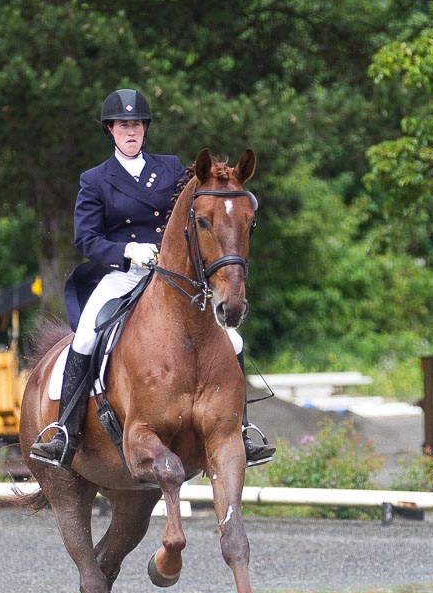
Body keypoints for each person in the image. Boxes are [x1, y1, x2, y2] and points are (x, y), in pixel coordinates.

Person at [30, 88, 275, 468]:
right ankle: (66, 431)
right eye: (124, 125)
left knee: (234, 339)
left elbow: (206, 200)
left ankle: (240, 430)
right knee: (85, 338)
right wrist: (127, 251)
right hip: (122, 275)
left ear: (145, 130)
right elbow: (86, 238)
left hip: (173, 278)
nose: (131, 131)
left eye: (138, 125)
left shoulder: (172, 168)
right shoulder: (95, 179)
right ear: (110, 130)